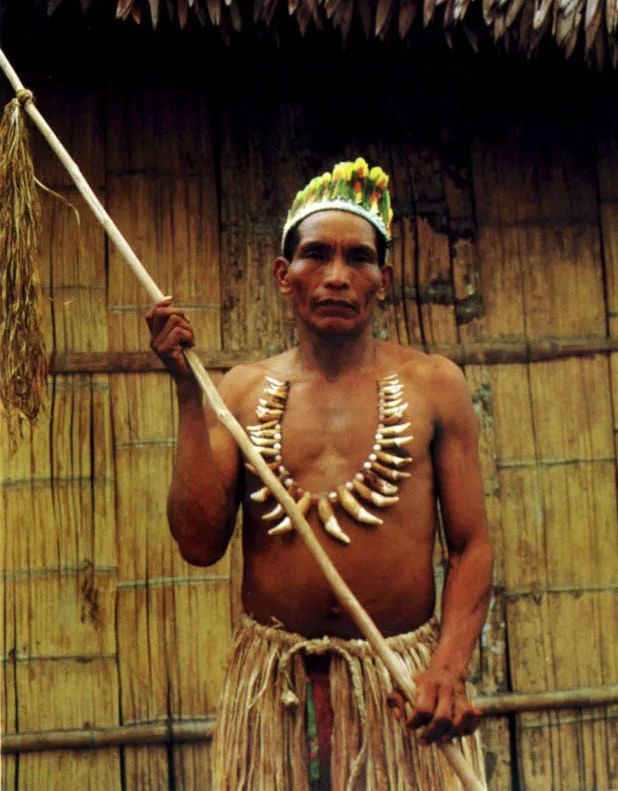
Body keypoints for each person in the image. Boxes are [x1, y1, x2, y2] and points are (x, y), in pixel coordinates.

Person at [146, 158, 493, 790]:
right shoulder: (241, 393)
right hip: (274, 689)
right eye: (316, 255)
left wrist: (447, 667)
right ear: (285, 274)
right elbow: (198, 545)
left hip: (397, 687)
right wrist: (188, 395)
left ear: (383, 279)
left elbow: (472, 545)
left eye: (358, 258)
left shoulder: (435, 386)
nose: (336, 276)